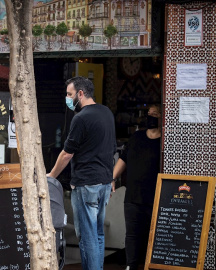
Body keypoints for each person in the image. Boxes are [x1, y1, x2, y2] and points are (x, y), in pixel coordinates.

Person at [47, 76, 116, 270]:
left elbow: (67, 153)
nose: (67, 99)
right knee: (98, 234)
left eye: (69, 95)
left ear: (80, 93)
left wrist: (51, 175)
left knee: (87, 238)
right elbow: (111, 149)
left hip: (86, 184)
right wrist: (110, 178)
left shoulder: (81, 118)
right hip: (103, 183)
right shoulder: (107, 113)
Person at [112, 105, 161, 270]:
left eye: (155, 114)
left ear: (162, 117)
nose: (151, 117)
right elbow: (123, 159)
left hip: (156, 197)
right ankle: (130, 266)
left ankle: (151, 265)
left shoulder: (165, 143)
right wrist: (112, 178)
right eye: (149, 114)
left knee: (153, 235)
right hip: (133, 196)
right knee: (132, 234)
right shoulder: (136, 137)